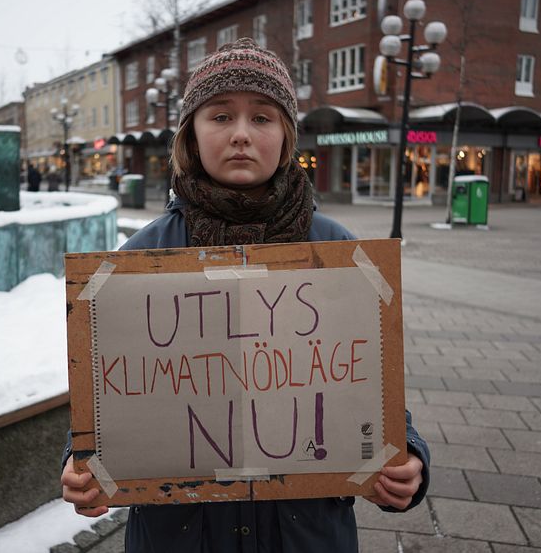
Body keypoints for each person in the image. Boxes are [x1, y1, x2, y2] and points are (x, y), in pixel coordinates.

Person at [61, 38, 430, 552]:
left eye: (262, 117)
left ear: (286, 137)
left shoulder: (341, 253)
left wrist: (408, 455)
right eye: (219, 116)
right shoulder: (137, 260)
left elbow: (370, 383)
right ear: (190, 135)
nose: (240, 134)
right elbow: (112, 393)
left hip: (305, 535)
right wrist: (80, 463)